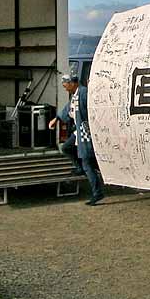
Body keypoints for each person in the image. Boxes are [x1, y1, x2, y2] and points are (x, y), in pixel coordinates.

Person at [49, 73, 105, 205]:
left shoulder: (84, 93)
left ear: (73, 83)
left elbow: (94, 110)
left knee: (87, 162)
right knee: (66, 147)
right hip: (78, 131)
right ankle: (80, 167)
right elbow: (68, 109)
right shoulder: (75, 95)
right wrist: (56, 119)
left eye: (66, 84)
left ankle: (97, 192)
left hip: (86, 131)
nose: (65, 87)